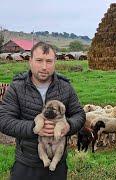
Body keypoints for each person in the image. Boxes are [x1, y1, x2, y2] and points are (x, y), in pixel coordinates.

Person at [0, 42, 86, 180]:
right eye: (39, 60)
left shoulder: (65, 87)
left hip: (57, 164)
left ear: (55, 62)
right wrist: (33, 127)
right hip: (26, 163)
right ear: (30, 61)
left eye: (49, 61)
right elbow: (3, 120)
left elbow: (79, 115)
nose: (44, 66)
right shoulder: (17, 87)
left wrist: (68, 126)